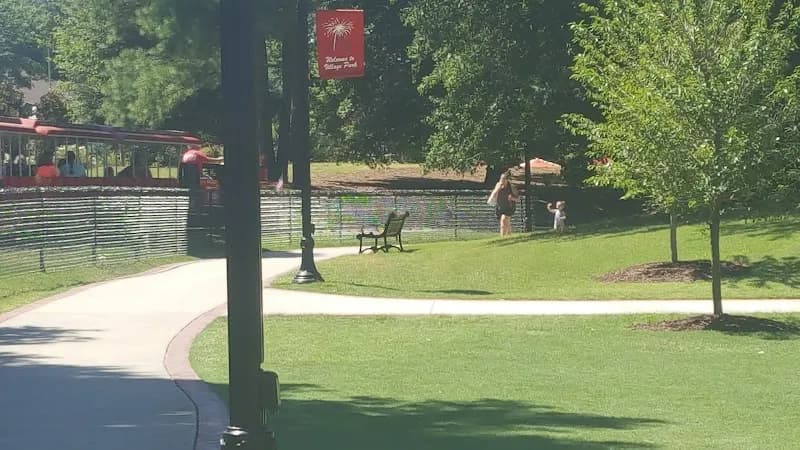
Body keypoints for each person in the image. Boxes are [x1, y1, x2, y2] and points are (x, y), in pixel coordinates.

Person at [489, 171, 519, 236]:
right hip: (500, 207)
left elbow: (518, 199)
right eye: (501, 179)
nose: (502, 181)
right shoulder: (498, 185)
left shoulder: (511, 187)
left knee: (503, 220)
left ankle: (502, 237)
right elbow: (494, 195)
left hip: (509, 207)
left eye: (503, 179)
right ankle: (510, 235)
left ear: (507, 180)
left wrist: (512, 198)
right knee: (506, 222)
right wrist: (498, 189)